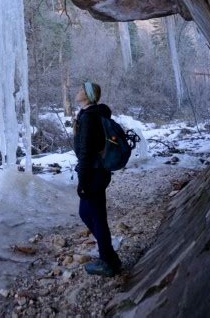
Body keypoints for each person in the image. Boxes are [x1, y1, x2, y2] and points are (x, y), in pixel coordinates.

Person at [73, 81, 122, 277]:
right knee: (89, 213)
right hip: (98, 172)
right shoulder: (94, 114)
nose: (77, 92)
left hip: (93, 173)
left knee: (94, 215)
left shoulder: (89, 118)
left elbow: (86, 152)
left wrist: (82, 181)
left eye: (80, 90)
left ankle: (107, 260)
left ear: (88, 96)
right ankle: (109, 256)